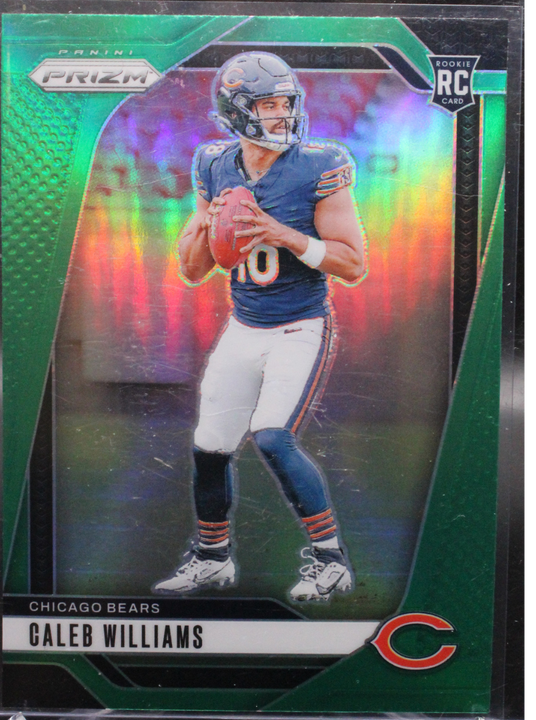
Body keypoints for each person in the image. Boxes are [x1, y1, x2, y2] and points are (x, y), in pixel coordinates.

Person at [153, 52, 366, 602]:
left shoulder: (319, 164)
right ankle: (212, 559)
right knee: (209, 447)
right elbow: (194, 270)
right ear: (237, 110)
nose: (282, 115)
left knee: (272, 434)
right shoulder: (214, 164)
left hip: (300, 326)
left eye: (285, 103)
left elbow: (352, 265)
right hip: (244, 326)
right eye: (268, 105)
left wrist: (282, 233)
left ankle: (331, 561)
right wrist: (208, 225)